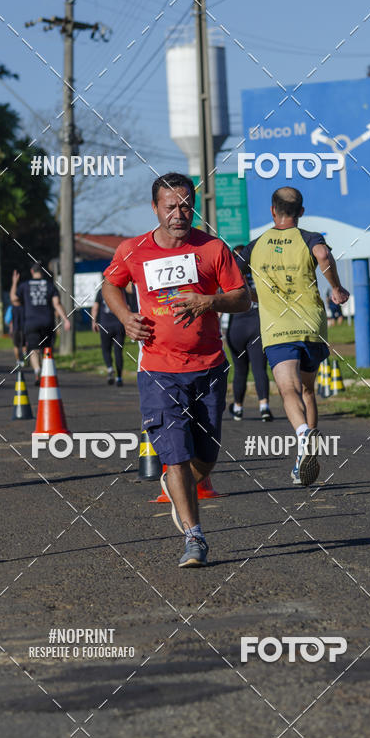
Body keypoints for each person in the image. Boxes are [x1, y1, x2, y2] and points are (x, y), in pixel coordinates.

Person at [101, 172, 250, 568]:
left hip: (209, 366)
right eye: (171, 207)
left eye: (186, 205)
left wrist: (210, 302)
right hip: (158, 370)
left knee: (206, 455)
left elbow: (242, 299)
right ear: (155, 208)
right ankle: (194, 536)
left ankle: (183, 485)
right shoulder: (133, 250)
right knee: (176, 454)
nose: (179, 214)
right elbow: (110, 284)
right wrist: (125, 317)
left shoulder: (213, 248)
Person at [240, 187, 349, 486]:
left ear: (272, 211)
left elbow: (234, 279)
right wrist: (337, 288)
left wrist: (254, 295)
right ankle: (305, 452)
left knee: (288, 389)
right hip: (312, 327)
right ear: (301, 212)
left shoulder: (255, 245)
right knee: (308, 391)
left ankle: (303, 435)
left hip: (278, 330)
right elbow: (323, 254)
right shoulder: (309, 237)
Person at [228, 245, 272, 421]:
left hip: (235, 327)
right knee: (259, 368)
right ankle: (264, 407)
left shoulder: (228, 278)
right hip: (257, 324)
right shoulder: (259, 276)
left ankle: (238, 408)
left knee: (240, 371)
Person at [10, 263, 71, 385]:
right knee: (46, 348)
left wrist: (14, 282)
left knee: (33, 349)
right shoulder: (50, 286)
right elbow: (57, 304)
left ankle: (37, 370)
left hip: (31, 322)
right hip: (47, 322)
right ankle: (46, 372)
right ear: (42, 272)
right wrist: (65, 319)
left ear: (32, 271)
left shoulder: (24, 286)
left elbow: (14, 299)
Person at [91, 283, 136, 386]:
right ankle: (119, 377)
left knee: (106, 349)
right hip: (119, 324)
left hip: (105, 325)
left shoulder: (101, 291)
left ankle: (110, 368)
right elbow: (127, 308)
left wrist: (94, 321)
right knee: (118, 351)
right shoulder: (121, 291)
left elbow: (95, 307)